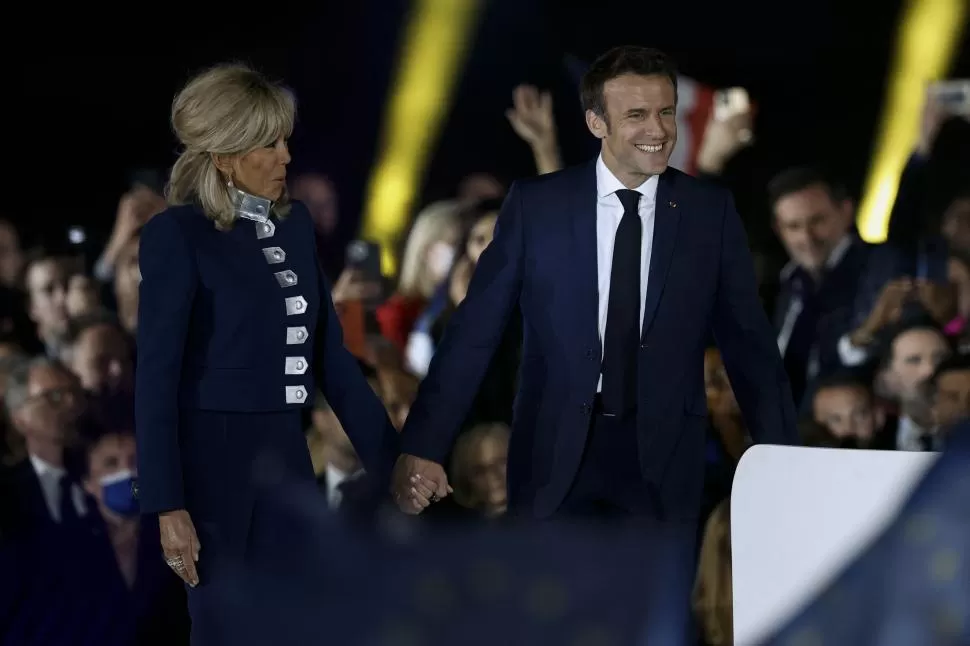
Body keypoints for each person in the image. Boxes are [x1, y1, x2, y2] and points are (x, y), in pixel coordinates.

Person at [391, 46, 798, 641]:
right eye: (637, 115)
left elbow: (751, 347)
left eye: (667, 112)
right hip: (557, 454)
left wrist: (782, 459)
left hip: (664, 459)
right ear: (596, 123)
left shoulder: (707, 211)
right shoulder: (538, 206)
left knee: (653, 628)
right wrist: (424, 444)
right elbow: (473, 334)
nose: (658, 130)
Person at [135, 63, 399, 645]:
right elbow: (155, 379)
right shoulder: (176, 235)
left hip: (285, 455)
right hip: (211, 472)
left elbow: (332, 358)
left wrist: (394, 461)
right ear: (226, 156)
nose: (285, 157)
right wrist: (166, 505)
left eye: (285, 142)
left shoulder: (295, 225)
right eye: (269, 144)